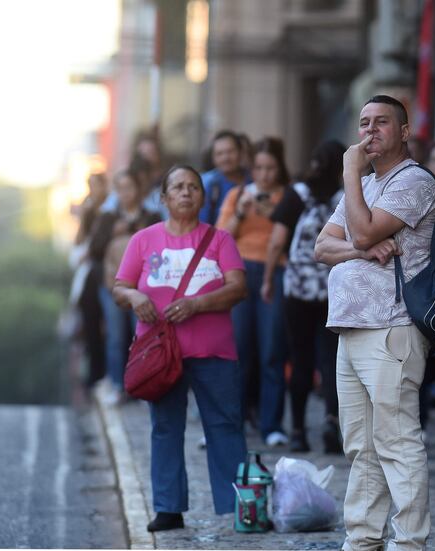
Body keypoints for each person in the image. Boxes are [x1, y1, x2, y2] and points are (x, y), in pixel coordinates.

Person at [315, 95, 435, 550]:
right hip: (350, 327)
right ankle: (363, 540)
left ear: (404, 131)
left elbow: (364, 229)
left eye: (381, 123)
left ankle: (409, 543)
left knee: (397, 440)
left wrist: (349, 172)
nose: (369, 131)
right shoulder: (363, 188)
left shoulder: (414, 182)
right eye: (364, 123)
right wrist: (361, 249)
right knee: (361, 447)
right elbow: (322, 249)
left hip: (393, 325)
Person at [113, 165, 248, 532]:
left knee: (225, 426)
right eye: (178, 187)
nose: (186, 193)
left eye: (193, 187)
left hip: (214, 352)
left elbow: (238, 288)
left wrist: (197, 304)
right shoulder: (143, 240)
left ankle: (240, 506)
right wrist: (135, 295)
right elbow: (119, 286)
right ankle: (168, 509)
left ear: (202, 197)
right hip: (160, 356)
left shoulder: (220, 239)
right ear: (164, 197)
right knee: (165, 428)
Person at [262, 139, 345, 454]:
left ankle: (297, 430)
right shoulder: (345, 196)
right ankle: (332, 421)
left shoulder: (296, 195)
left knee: (299, 358)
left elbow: (276, 242)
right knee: (331, 360)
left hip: (297, 289)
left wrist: (269, 278)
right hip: (334, 289)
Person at [216, 137, 291, 447]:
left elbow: (285, 238)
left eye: (270, 168)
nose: (264, 174)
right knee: (239, 350)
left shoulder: (288, 197)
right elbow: (220, 238)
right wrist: (241, 213)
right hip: (240, 272)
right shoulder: (237, 195)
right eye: (258, 168)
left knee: (272, 350)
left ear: (279, 168)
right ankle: (236, 418)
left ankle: (271, 423)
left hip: (276, 272)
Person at [88, 169, 161, 405]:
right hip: (113, 285)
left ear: (139, 189)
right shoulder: (108, 218)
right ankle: (118, 385)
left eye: (129, 187)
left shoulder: (151, 216)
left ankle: (143, 384)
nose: (125, 193)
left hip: (145, 286)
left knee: (143, 335)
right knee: (116, 337)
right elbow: (94, 250)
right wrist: (113, 233)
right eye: (120, 189)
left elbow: (161, 247)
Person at [73, 172, 108, 389]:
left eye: (98, 185)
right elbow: (78, 241)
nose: (94, 190)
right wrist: (84, 216)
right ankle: (95, 374)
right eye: (91, 186)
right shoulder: (88, 210)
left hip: (108, 271)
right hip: (91, 274)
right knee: (91, 322)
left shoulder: (112, 210)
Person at [199, 130, 249, 225]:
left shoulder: (255, 179)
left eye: (230, 151)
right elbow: (203, 225)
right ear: (213, 158)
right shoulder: (208, 184)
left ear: (241, 152)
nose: (225, 158)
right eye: (219, 153)